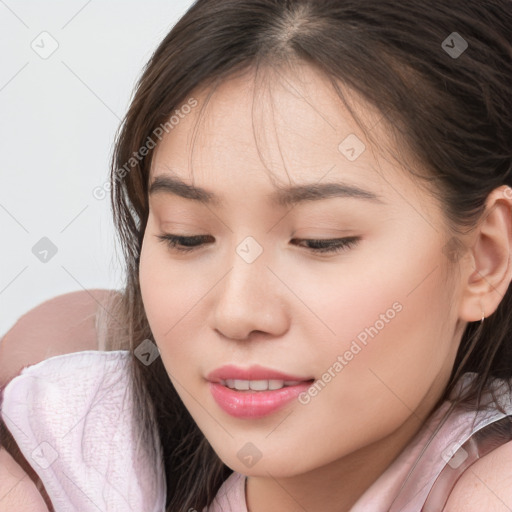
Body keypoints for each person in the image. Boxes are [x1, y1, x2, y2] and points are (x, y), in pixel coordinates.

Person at [1, 0, 512, 510]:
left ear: (484, 260)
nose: (237, 313)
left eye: (319, 240)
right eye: (187, 236)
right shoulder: (77, 440)